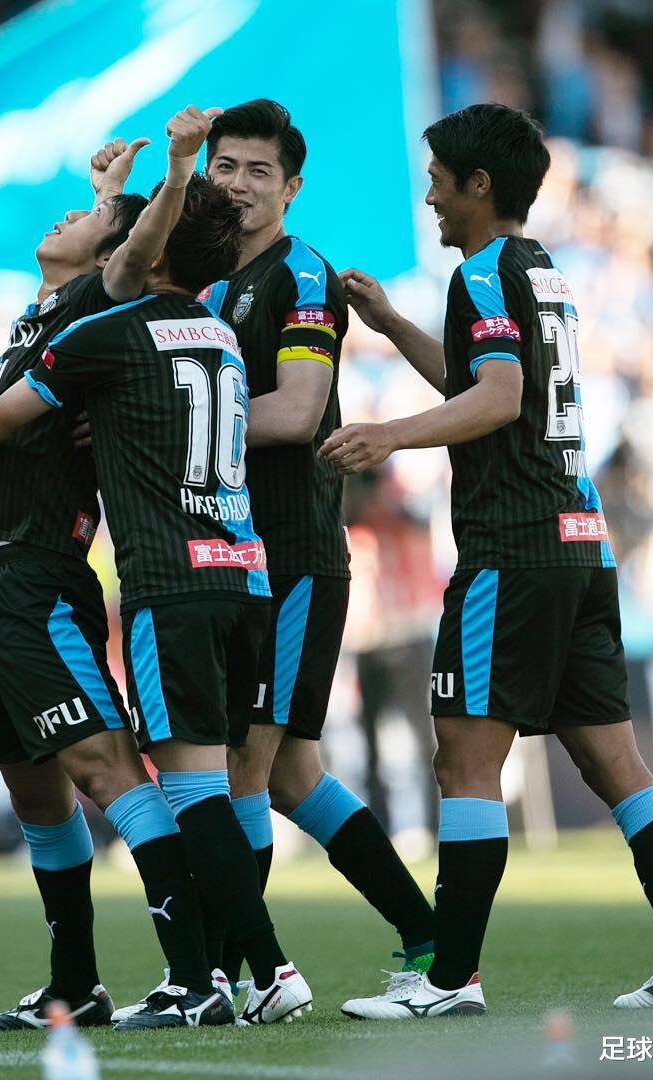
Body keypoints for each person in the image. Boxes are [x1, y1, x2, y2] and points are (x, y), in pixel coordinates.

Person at [321, 102, 653, 1018]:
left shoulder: (480, 273)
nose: (429, 195)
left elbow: (498, 399)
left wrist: (389, 434)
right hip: (580, 541)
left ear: (479, 184)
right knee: (618, 765)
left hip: (514, 549)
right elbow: (486, 383)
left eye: (438, 180)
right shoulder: (541, 270)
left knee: (464, 765)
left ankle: (447, 980)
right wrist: (391, 322)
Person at [0, 154, 312, 1027]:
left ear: (131, 255)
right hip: (0, 580)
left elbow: (119, 266)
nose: (67, 216)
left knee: (115, 772)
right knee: (36, 790)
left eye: (90, 216)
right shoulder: (56, 317)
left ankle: (209, 972)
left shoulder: (99, 313)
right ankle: (76, 983)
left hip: (53, 576)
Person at [198, 100, 437, 990]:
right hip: (235, 551)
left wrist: (178, 428)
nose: (239, 184)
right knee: (294, 775)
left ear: (291, 188)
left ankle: (227, 974)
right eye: (226, 167)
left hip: (291, 553)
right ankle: (431, 936)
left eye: (259, 171)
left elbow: (299, 411)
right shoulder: (205, 281)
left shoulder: (302, 275)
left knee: (244, 765)